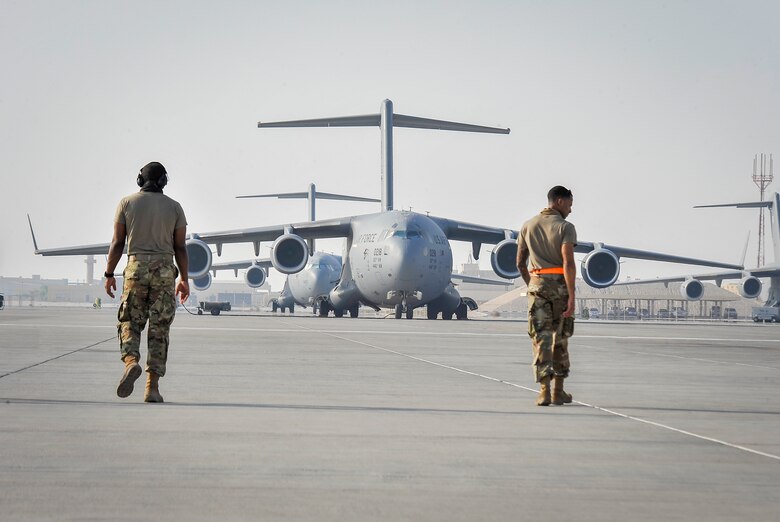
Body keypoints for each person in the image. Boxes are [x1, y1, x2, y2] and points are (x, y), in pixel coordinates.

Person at [104, 161, 189, 403]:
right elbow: (180, 247)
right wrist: (184, 279)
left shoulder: (127, 203)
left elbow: (117, 243)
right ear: (164, 182)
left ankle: (131, 362)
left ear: (140, 180)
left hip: (136, 267)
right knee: (159, 328)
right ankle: (152, 387)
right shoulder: (175, 208)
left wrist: (109, 274)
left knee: (130, 320)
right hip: (164, 269)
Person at [516, 186, 577, 406]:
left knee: (540, 338)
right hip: (560, 287)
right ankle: (558, 391)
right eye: (570, 204)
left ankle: (544, 391)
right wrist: (571, 294)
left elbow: (519, 262)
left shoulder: (527, 225)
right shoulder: (565, 227)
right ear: (559, 202)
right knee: (560, 338)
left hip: (537, 287)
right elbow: (568, 262)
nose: (571, 209)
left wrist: (532, 284)